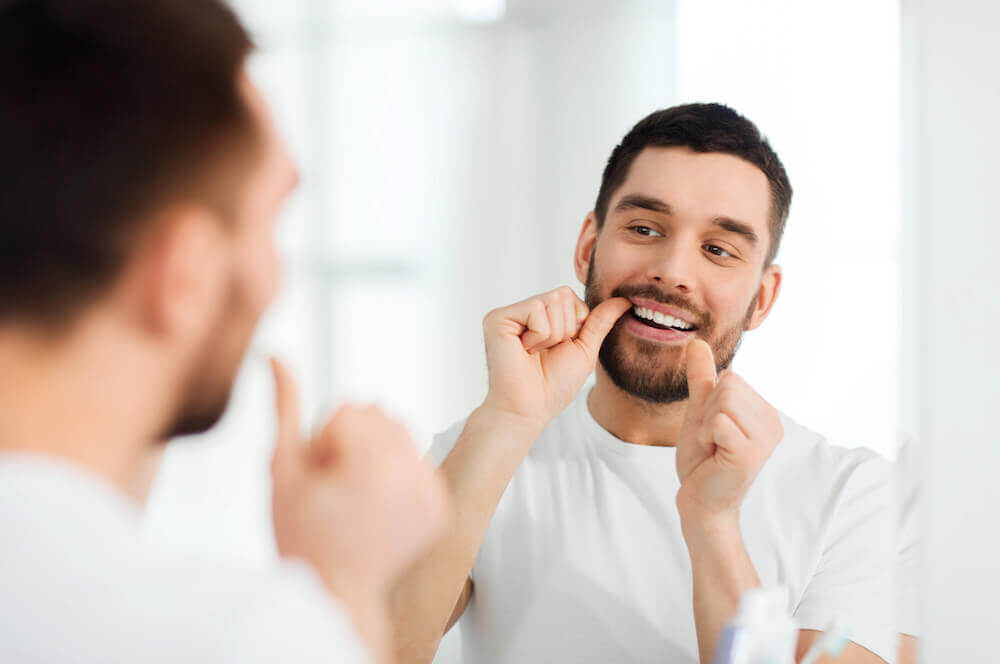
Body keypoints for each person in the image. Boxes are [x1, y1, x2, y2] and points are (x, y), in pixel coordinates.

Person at [0, 1, 446, 662]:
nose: (274, 275)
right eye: (269, 219)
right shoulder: (234, 639)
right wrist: (345, 594)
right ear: (184, 276)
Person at [390, 104, 898, 663]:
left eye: (718, 249)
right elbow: (379, 649)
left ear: (764, 297)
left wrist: (715, 526)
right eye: (644, 228)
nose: (673, 270)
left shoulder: (856, 498)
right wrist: (507, 422)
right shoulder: (477, 455)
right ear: (589, 245)